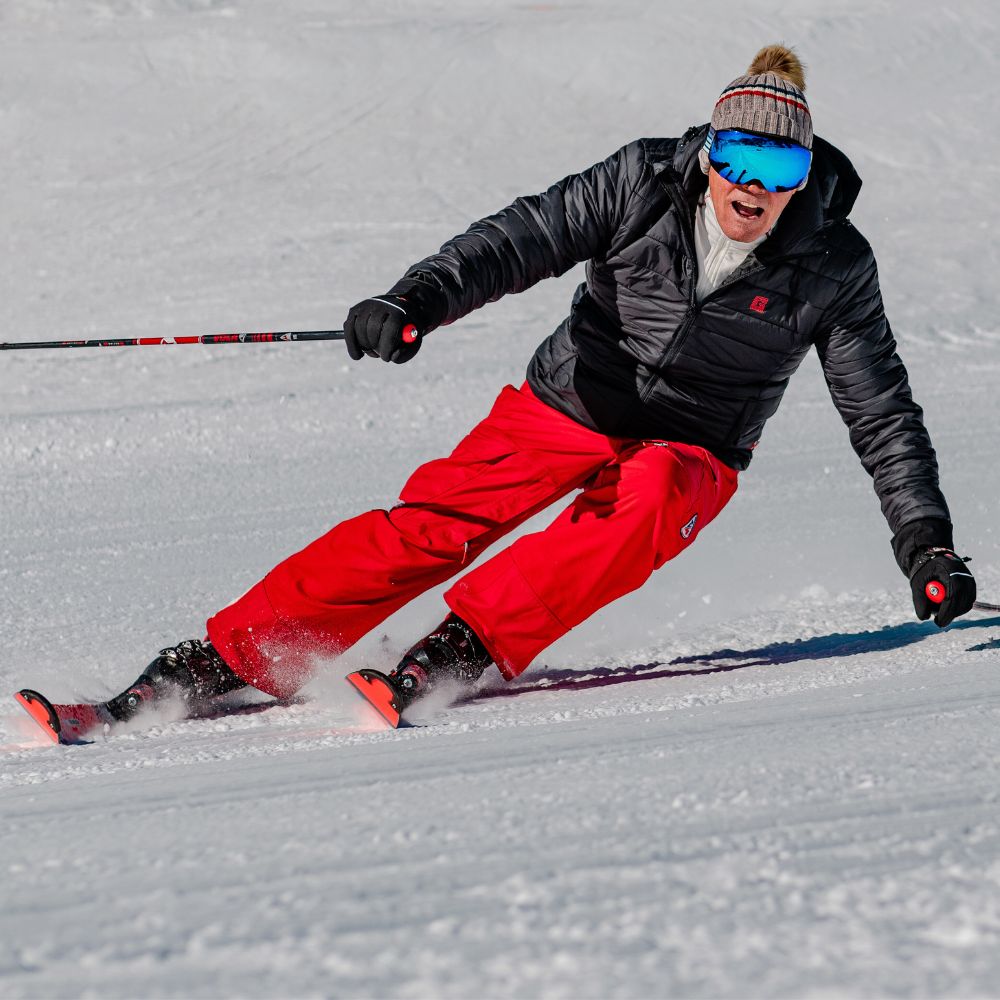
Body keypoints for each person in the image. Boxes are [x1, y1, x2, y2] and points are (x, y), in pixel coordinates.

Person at [101, 44, 977, 728]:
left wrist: (926, 543)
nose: (753, 187)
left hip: (698, 440)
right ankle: (230, 655)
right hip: (573, 400)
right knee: (434, 526)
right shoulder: (642, 181)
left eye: (780, 171)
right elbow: (520, 238)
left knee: (646, 501)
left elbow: (882, 411)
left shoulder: (834, 264)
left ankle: (459, 646)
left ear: (805, 180)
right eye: (740, 157)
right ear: (709, 153)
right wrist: (415, 301)